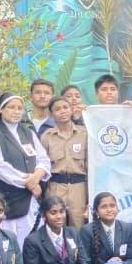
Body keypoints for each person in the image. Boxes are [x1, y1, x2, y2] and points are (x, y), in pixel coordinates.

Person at [0, 92, 51, 243]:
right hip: (7, 198)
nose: (16, 111)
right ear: (1, 109)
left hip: (29, 199)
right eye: (11, 107)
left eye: (20, 108)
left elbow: (44, 159)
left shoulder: (28, 132)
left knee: (31, 242)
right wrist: (28, 182)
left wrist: (37, 176)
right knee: (9, 243)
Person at [40, 97, 88, 230]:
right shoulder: (47, 136)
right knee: (54, 225)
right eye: (57, 109)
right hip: (55, 187)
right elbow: (42, 163)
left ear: (71, 110)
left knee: (78, 226)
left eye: (65, 107)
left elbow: (91, 164)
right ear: (51, 114)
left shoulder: (84, 133)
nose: (62, 111)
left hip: (79, 188)